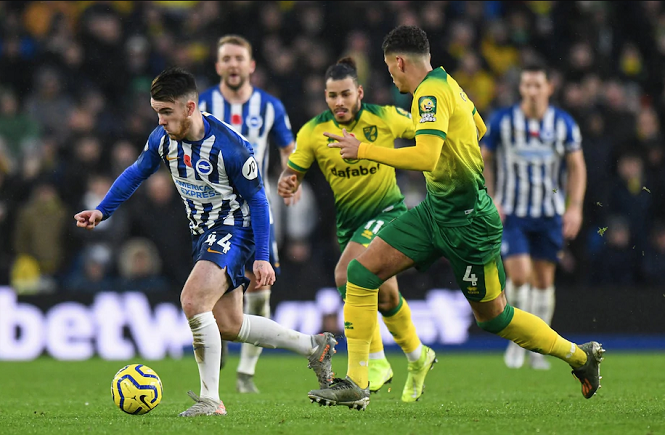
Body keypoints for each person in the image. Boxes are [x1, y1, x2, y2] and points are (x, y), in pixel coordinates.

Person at [306, 25, 604, 411]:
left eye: (389, 68)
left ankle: (581, 358)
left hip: (468, 225)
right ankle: (357, 382)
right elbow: (477, 128)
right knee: (360, 275)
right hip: (435, 212)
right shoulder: (448, 83)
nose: (390, 76)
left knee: (495, 318)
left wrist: (364, 149)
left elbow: (427, 156)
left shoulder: (429, 93)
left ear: (399, 62)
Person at [74, 67, 336, 417]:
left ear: (190, 108)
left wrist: (261, 257)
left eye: (166, 112)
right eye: (157, 112)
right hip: (203, 234)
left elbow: (259, 201)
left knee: (193, 299)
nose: (161, 120)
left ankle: (211, 400)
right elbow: (137, 172)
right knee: (229, 324)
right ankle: (313, 347)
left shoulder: (231, 148)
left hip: (234, 229)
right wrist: (102, 211)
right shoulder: (162, 139)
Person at [277, 57, 435, 402]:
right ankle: (418, 356)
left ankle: (374, 364)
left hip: (389, 213)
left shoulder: (386, 117)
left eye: (346, 94)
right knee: (387, 296)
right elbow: (293, 171)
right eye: (332, 95)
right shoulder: (313, 132)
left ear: (359, 91)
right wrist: (289, 183)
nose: (339, 102)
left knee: (346, 274)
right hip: (350, 225)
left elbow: (427, 133)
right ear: (325, 96)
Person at [198, 34, 299, 394]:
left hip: (257, 207)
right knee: (212, 282)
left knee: (260, 289)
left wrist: (291, 176)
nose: (233, 64)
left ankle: (246, 372)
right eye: (226, 58)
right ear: (218, 66)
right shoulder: (204, 103)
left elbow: (290, 148)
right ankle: (221, 331)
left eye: (239, 58)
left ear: (251, 65)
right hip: (212, 211)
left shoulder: (270, 106)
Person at [480, 62, 588, 370]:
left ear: (549, 88)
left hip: (549, 214)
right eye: (526, 85)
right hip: (513, 212)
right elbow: (484, 159)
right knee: (518, 275)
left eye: (537, 85)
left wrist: (575, 206)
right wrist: (491, 197)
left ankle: (540, 349)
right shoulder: (503, 121)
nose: (532, 91)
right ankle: (517, 344)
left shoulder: (564, 124)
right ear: (520, 89)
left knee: (543, 281)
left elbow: (577, 166)